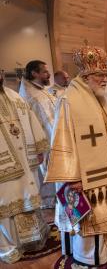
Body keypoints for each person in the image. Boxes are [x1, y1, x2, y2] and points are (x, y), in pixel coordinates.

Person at [45, 44, 107, 267]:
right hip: (82, 176)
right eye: (98, 75)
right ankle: (87, 258)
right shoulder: (69, 100)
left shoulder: (98, 97)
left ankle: (93, 252)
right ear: (85, 75)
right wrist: (73, 177)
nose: (104, 79)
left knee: (92, 215)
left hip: (101, 169)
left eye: (105, 74)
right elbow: (62, 141)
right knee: (86, 217)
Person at [0, 70, 50, 264]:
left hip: (24, 158)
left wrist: (38, 147)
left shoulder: (15, 96)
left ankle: (33, 238)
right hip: (4, 165)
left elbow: (31, 121)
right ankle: (9, 247)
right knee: (6, 204)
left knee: (28, 197)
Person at [19, 60, 56, 208]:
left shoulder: (40, 90)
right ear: (34, 73)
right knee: (47, 174)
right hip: (46, 141)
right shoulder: (32, 96)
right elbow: (45, 122)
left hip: (53, 137)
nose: (48, 74)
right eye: (45, 72)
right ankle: (49, 203)